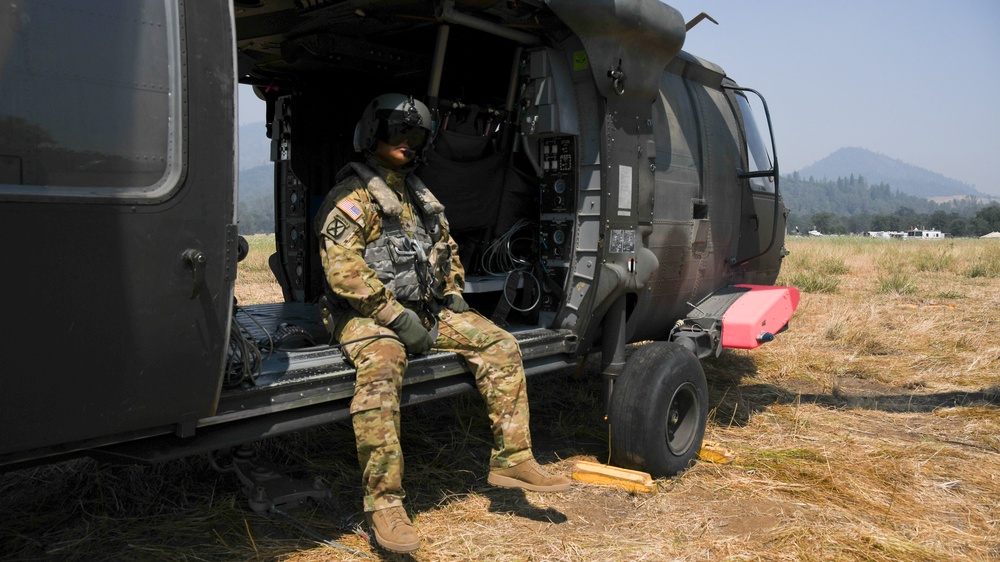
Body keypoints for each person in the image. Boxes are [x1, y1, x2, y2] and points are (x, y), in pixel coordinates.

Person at [314, 93, 570, 554]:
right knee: (383, 365)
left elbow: (445, 250)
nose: (408, 143)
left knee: (498, 344)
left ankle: (513, 459)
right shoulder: (352, 199)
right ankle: (385, 505)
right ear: (373, 135)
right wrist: (396, 318)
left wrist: (451, 294)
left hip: (423, 309)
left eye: (416, 136)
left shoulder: (419, 197)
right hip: (363, 315)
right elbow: (344, 272)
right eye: (399, 133)